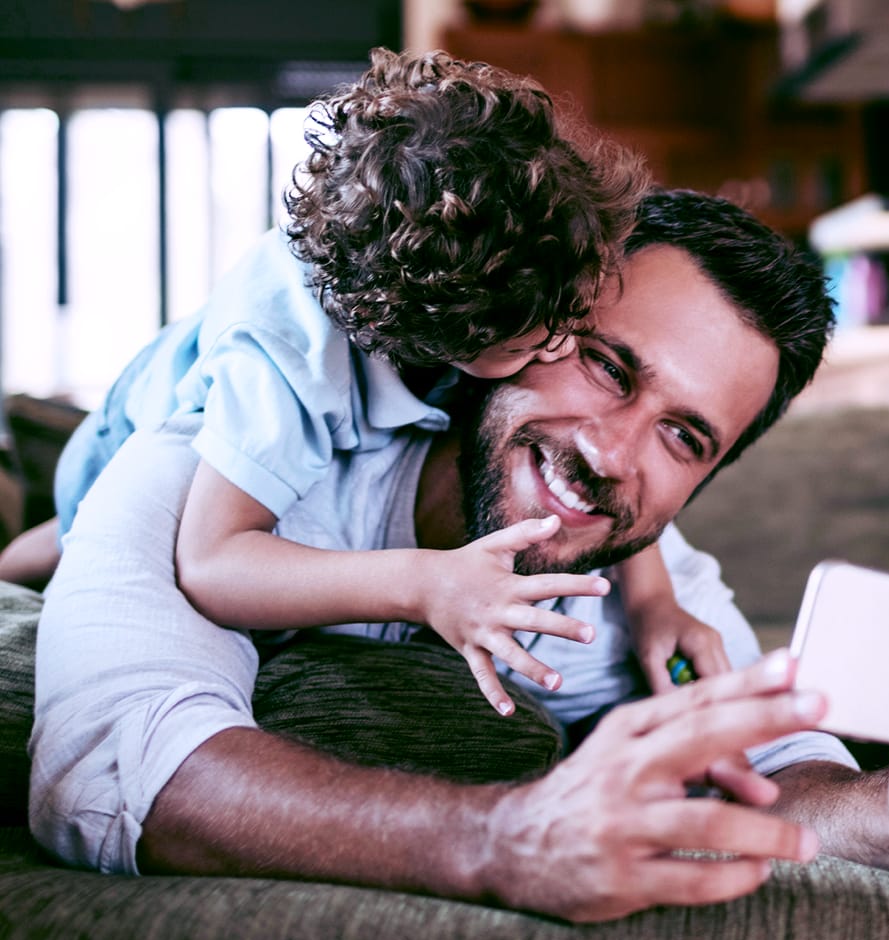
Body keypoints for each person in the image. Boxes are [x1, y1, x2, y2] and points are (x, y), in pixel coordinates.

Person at [29, 189, 889, 923]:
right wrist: (507, 838)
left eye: (684, 436)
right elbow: (113, 763)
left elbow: (783, 773)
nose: (612, 453)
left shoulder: (657, 590)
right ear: (526, 320)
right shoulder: (230, 450)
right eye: (608, 365)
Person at [0, 47, 730, 712]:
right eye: (544, 340)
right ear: (446, 344)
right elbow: (212, 561)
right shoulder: (288, 370)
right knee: (72, 536)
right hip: (122, 443)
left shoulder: (490, 264)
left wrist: (652, 600)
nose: (566, 347)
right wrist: (424, 584)